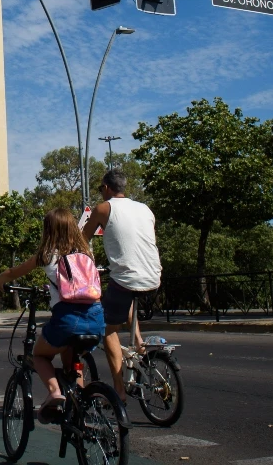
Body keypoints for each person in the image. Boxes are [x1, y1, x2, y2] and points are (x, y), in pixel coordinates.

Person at [0, 208, 106, 419]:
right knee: (72, 361)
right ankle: (80, 405)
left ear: (49, 230)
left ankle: (54, 392)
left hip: (68, 319)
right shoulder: (86, 254)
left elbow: (14, 272)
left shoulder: (47, 255)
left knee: (40, 355)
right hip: (96, 318)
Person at [81, 169, 162, 403]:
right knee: (124, 299)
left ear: (107, 188)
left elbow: (82, 240)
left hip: (127, 278)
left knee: (107, 328)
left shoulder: (103, 209)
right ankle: (140, 346)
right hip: (154, 276)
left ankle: (119, 390)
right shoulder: (145, 208)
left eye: (101, 188)